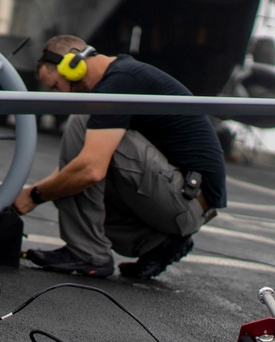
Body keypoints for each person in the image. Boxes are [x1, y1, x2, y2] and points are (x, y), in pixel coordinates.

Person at [13, 35, 227, 279]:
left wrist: (36, 195)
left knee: (82, 127)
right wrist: (29, 194)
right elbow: (73, 170)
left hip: (185, 201)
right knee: (65, 181)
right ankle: (156, 244)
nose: (58, 96)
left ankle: (87, 254)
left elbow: (90, 170)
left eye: (55, 86)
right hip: (184, 202)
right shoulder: (121, 77)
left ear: (72, 67)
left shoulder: (119, 83)